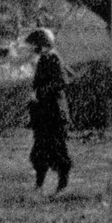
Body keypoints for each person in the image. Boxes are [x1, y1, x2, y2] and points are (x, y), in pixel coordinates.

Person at [26, 28, 72, 195]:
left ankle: (62, 185)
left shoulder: (53, 58)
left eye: (34, 45)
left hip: (54, 114)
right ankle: (39, 185)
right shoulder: (44, 59)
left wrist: (40, 92)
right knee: (39, 152)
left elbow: (61, 82)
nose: (32, 48)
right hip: (43, 114)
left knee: (57, 150)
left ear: (42, 44)